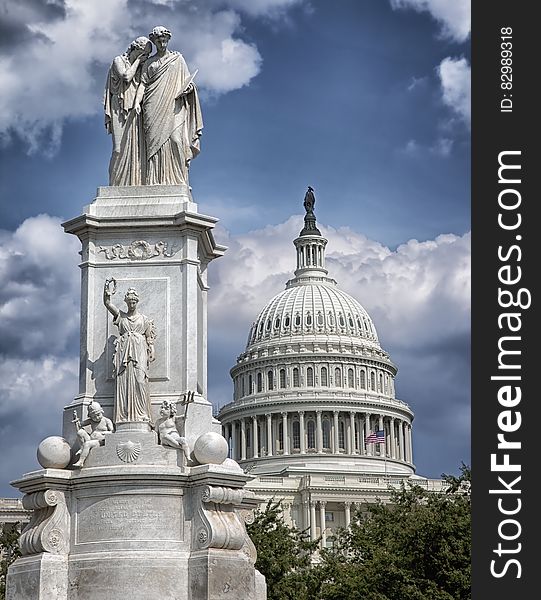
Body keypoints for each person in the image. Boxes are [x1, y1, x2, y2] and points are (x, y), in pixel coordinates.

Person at [140, 26, 203, 185]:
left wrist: (189, 88)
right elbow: (142, 84)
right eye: (158, 41)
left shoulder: (177, 59)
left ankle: (178, 180)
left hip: (174, 104)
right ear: (154, 42)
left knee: (176, 139)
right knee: (153, 144)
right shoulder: (149, 62)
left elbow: (188, 81)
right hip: (152, 104)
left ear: (168, 40)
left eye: (164, 40)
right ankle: (154, 179)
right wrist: (135, 103)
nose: (162, 43)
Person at [104, 280, 156, 423]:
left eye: (133, 302)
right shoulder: (121, 316)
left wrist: (152, 349)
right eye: (129, 302)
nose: (131, 304)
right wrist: (107, 294)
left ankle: (142, 413)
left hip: (139, 349)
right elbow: (108, 304)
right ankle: (125, 415)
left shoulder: (144, 319)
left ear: (137, 302)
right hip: (124, 350)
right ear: (126, 302)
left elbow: (149, 338)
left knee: (140, 380)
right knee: (124, 381)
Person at [104, 36, 151, 185]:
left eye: (147, 55)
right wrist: (138, 61)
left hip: (134, 108)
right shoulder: (119, 60)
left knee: (135, 149)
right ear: (136, 49)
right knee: (118, 148)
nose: (146, 57)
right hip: (119, 105)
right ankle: (114, 184)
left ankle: (134, 182)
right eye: (144, 53)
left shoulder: (141, 67)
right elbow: (126, 77)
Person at [73, 402, 114, 468]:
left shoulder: (107, 420)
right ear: (91, 417)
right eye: (94, 417)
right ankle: (81, 448)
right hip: (91, 438)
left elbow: (112, 432)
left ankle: (81, 461)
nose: (97, 417)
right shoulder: (91, 421)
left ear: (102, 412)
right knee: (80, 432)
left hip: (100, 442)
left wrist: (103, 433)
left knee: (87, 444)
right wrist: (76, 420)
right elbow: (80, 425)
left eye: (98, 415)